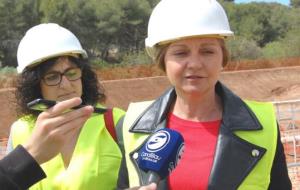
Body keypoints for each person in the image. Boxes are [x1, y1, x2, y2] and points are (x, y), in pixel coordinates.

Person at [117, 0, 292, 189]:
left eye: (207, 51)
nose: (195, 64)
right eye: (181, 53)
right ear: (163, 61)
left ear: (222, 58)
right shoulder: (132, 125)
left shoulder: (263, 126)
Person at [7, 23, 125, 189]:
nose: (66, 85)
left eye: (71, 73)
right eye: (52, 77)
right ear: (34, 85)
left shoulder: (117, 122)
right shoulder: (20, 130)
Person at [1, 98, 93, 189]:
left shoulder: (105, 120)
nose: (65, 85)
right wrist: (30, 154)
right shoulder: (19, 128)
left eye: (74, 81)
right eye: (51, 81)